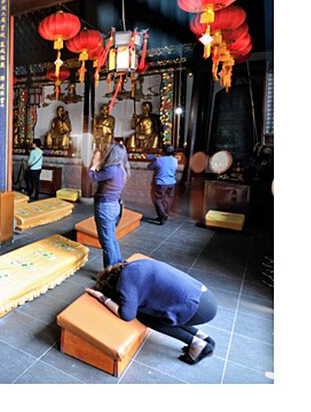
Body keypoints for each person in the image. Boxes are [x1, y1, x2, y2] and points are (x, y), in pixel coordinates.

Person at [85, 258, 217, 364]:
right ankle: (203, 337)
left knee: (145, 316)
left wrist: (102, 298)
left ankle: (197, 344)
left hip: (197, 309)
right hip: (204, 296)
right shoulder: (133, 264)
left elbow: (127, 315)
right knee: (167, 310)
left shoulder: (125, 283)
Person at [87, 142, 130, 267]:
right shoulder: (121, 169)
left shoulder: (111, 169)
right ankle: (117, 265)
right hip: (114, 205)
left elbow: (90, 178)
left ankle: (110, 271)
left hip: (105, 207)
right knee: (111, 238)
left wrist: (94, 165)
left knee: (106, 242)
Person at [147, 145, 179, 224]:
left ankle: (163, 215)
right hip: (171, 183)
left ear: (163, 151)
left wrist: (153, 160)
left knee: (157, 199)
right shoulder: (175, 160)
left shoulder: (158, 160)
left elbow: (149, 167)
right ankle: (163, 215)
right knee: (167, 200)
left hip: (160, 183)